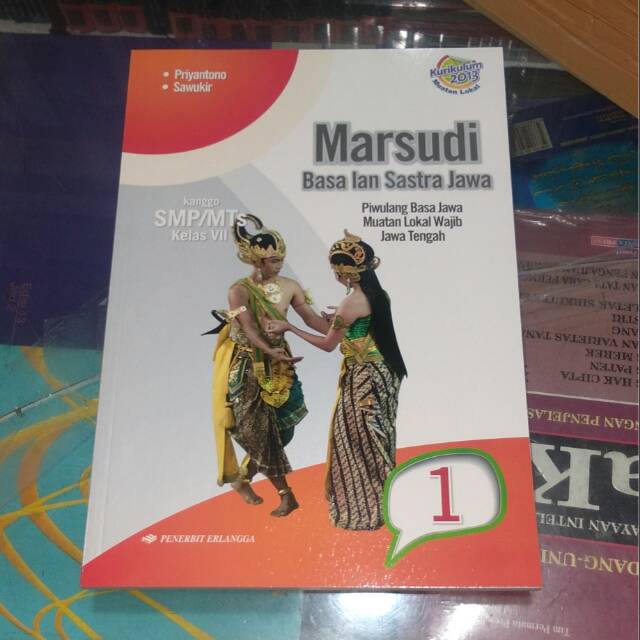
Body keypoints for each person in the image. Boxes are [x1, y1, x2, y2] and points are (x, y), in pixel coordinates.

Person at [267, 230, 407, 530]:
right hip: (380, 372)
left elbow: (328, 344)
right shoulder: (376, 295)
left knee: (357, 438)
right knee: (372, 436)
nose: (335, 276)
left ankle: (371, 509)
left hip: (363, 376)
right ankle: (383, 503)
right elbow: (339, 330)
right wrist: (319, 317)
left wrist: (289, 328)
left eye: (336, 271)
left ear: (346, 273)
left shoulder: (352, 302)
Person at [210, 214, 330, 517]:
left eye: (281, 260)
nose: (279, 265)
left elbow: (311, 319)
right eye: (274, 260)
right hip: (248, 364)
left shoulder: (290, 286)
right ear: (257, 260)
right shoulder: (238, 291)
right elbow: (249, 329)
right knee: (257, 431)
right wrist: (269, 351)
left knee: (285, 429)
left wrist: (339, 326)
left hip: (281, 364)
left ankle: (243, 478)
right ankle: (286, 494)